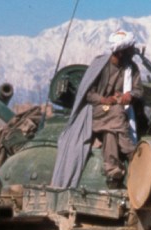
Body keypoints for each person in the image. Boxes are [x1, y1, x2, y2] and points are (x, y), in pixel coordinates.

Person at [52, 30, 141, 189]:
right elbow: (87, 93)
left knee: (110, 132)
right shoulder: (100, 65)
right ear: (120, 52)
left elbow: (139, 90)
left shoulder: (131, 69)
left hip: (118, 112)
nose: (132, 53)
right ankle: (131, 152)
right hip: (93, 111)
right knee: (116, 114)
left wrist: (130, 95)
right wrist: (104, 100)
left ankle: (112, 170)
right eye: (129, 50)